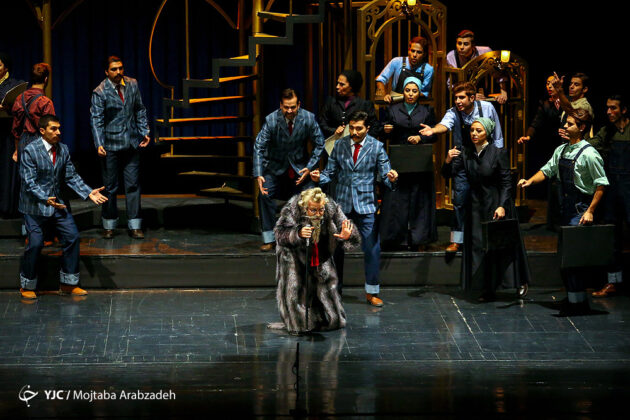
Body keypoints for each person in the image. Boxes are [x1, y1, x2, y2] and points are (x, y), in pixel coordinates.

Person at [518, 110, 608, 316]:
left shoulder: (589, 154)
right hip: (565, 209)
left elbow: (601, 184)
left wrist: (591, 211)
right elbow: (547, 170)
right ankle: (573, 299)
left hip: (580, 209)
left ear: (582, 127)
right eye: (566, 124)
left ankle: (579, 303)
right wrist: (530, 181)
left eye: (570, 124)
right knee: (566, 258)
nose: (565, 127)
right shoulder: (562, 150)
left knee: (574, 259)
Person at [311, 111, 399, 307]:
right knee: (336, 249)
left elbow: (385, 174)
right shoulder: (340, 145)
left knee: (371, 248)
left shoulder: (376, 147)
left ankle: (372, 291)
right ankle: (335, 290)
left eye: (359, 128)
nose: (355, 132)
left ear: (367, 128)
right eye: (352, 128)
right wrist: (319, 178)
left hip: (366, 204)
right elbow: (329, 172)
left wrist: (390, 178)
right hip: (342, 205)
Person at [18, 115, 108, 300]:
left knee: (72, 237)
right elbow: (28, 182)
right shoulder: (29, 151)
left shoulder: (63, 149)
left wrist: (89, 192)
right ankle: (27, 284)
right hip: (34, 206)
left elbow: (71, 176)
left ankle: (68, 283)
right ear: (42, 131)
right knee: (35, 243)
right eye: (53, 129)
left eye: (59, 128)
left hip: (58, 204)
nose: (58, 132)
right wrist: (44, 198)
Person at [442, 117, 530, 301]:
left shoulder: (498, 153)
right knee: (478, 246)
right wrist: (448, 160)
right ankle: (485, 288)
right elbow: (447, 174)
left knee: (502, 247)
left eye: (479, 130)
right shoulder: (466, 153)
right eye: (472, 130)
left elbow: (507, 183)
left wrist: (502, 205)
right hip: (475, 205)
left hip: (497, 204)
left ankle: (519, 281)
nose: (474, 133)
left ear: (487, 133)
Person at [419, 81, 503, 252]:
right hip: (463, 160)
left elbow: (497, 134)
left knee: (487, 199)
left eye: (462, 97)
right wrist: (433, 131)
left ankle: (488, 237)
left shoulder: (487, 108)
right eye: (456, 97)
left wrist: (498, 157)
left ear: (472, 97)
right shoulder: (453, 112)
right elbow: (444, 125)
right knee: (459, 201)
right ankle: (457, 240)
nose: (458, 101)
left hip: (485, 157)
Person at [268, 187, 359, 335]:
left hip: (320, 252)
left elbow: (347, 228)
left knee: (332, 318)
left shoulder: (331, 208)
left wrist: (347, 236)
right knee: (297, 295)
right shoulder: (292, 209)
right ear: (305, 208)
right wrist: (297, 233)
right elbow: (279, 233)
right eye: (313, 211)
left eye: (320, 210)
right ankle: (297, 320)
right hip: (293, 254)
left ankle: (323, 317)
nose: (318, 215)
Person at [253, 88, 325, 251]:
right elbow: (259, 146)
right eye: (286, 107)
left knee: (312, 195)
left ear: (298, 104)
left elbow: (320, 143)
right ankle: (269, 238)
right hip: (275, 166)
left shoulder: (308, 118)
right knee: (264, 193)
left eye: (293, 107)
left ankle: (308, 236)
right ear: (281, 105)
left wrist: (309, 167)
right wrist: (258, 174)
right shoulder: (272, 120)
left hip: (300, 167)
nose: (290, 111)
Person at [90, 55, 150, 240]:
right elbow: (96, 119)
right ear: (107, 72)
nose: (118, 72)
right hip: (111, 146)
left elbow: (139, 108)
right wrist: (99, 143)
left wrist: (144, 131)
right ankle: (109, 224)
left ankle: (134, 225)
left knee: (132, 185)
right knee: (110, 187)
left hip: (131, 143)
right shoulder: (100, 91)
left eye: (120, 68)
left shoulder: (132, 84)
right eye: (114, 69)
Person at [380, 76, 437, 250]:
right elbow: (383, 133)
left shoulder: (427, 111)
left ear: (420, 92)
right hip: (399, 160)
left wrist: (420, 137)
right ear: (403, 91)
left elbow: (434, 134)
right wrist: (386, 130)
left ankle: (419, 239)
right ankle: (397, 239)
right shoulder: (392, 110)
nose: (411, 94)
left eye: (414, 91)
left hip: (420, 160)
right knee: (398, 200)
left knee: (420, 198)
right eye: (407, 90)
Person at [588, 94, 630, 297]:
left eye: (613, 108)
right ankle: (613, 281)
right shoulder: (606, 131)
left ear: (623, 110)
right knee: (612, 237)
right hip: (613, 189)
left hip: (629, 188)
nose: (609, 112)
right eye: (607, 108)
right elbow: (591, 144)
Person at [518, 75, 565, 231]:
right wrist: (528, 136)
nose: (550, 86)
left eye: (553, 84)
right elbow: (536, 123)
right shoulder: (545, 104)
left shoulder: (568, 102)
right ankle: (553, 222)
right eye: (547, 83)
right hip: (553, 147)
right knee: (552, 181)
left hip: (569, 145)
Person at [446, 30, 507, 104]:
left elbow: (498, 73)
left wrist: (503, 92)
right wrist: (469, 95)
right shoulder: (451, 57)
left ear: (473, 45)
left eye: (466, 44)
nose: (461, 47)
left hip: (483, 93)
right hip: (462, 97)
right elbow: (451, 83)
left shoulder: (485, 52)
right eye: (459, 43)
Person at [11, 63, 55, 162]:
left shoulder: (19, 98)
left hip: (23, 144)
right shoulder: (45, 102)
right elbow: (50, 131)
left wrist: (17, 149)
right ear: (46, 79)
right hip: (40, 145)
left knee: (25, 176)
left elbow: (15, 129)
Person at [319, 69, 380, 139]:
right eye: (338, 83)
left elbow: (375, 127)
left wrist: (361, 138)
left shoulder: (365, 104)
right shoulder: (330, 102)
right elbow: (322, 123)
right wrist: (334, 131)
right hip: (335, 145)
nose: (337, 87)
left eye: (342, 84)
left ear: (351, 86)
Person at [0, 53, 25, 218]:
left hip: (6, 133)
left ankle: (6, 207)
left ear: (6, 67)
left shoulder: (15, 85)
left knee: (6, 170)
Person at [375, 36, 434, 102]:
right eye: (412, 51)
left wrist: (406, 96)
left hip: (416, 105)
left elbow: (424, 92)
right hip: (396, 103)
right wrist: (383, 95)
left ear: (424, 54)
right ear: (409, 50)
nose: (414, 55)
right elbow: (381, 79)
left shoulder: (428, 69)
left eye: (419, 52)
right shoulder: (397, 62)